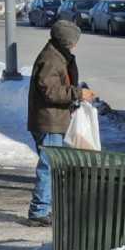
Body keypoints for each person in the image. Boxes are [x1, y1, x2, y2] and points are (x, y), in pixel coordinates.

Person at [26, 19, 95, 226]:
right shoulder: (52, 59)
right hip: (49, 121)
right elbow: (50, 90)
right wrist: (78, 93)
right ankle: (39, 211)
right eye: (74, 40)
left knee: (54, 166)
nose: (76, 44)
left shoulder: (58, 55)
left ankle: (45, 207)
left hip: (54, 119)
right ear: (66, 40)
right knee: (49, 166)